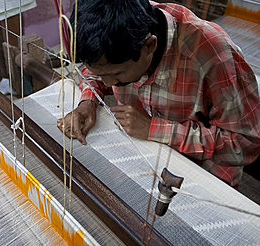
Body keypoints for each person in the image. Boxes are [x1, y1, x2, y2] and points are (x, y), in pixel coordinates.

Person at [56, 0, 260, 188]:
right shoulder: (115, 26)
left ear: (150, 45)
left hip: (202, 176)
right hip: (144, 158)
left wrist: (154, 129)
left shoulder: (213, 55)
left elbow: (245, 143)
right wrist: (88, 101)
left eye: (116, 74)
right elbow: (95, 71)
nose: (107, 83)